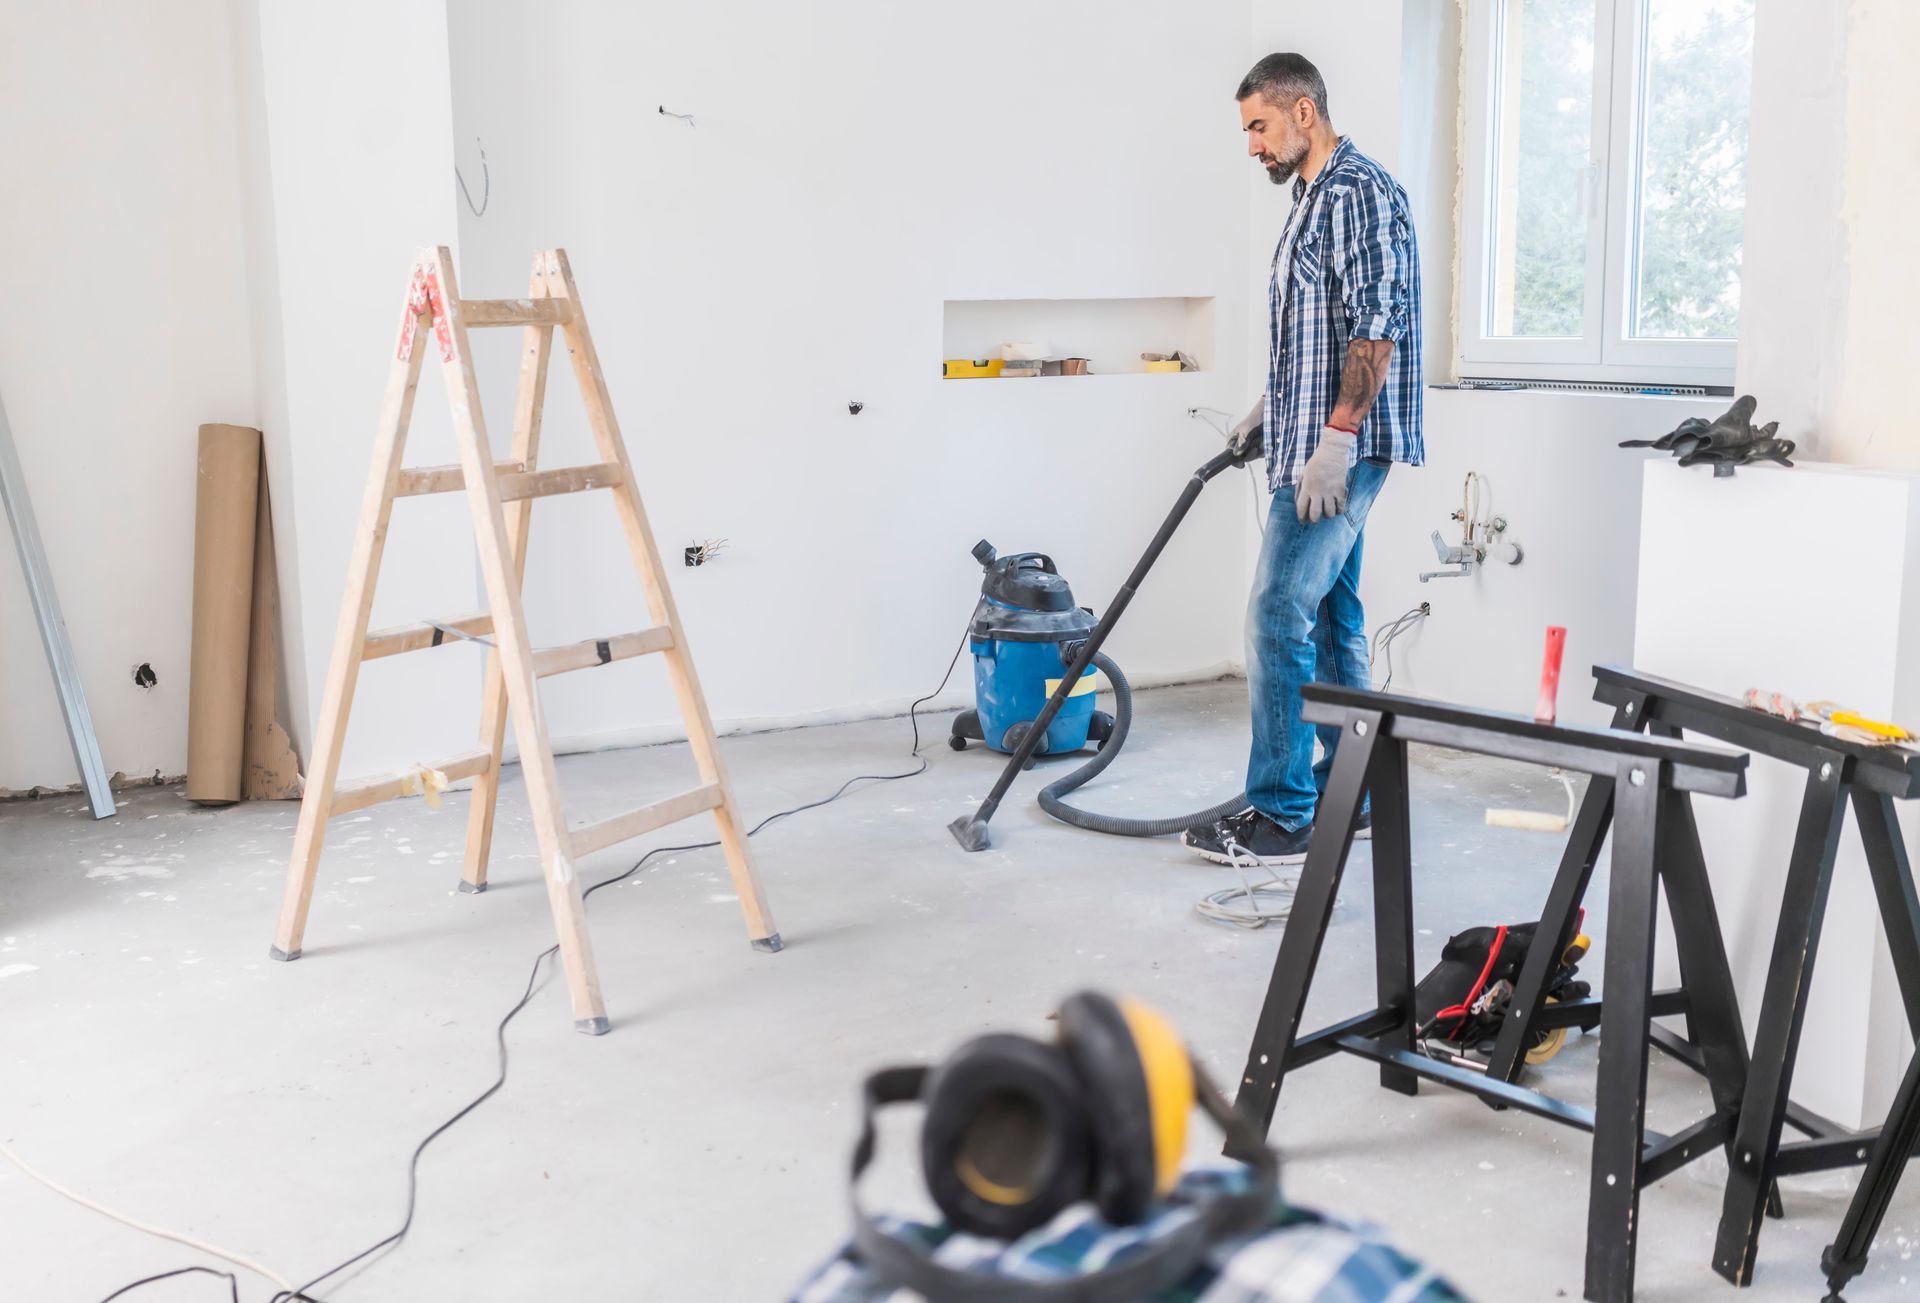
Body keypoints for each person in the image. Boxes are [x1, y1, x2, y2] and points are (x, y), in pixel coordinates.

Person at [1185, 53, 1423, 866]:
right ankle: (1343, 793)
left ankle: (1284, 814)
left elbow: (1376, 322)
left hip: (1335, 451)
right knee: (1329, 615)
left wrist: (1337, 438)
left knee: (1276, 612)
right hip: (1304, 437)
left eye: (1259, 125)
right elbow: (1312, 330)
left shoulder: (1356, 191)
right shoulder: (1311, 198)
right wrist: (1270, 410)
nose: (1252, 143)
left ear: (1304, 114)